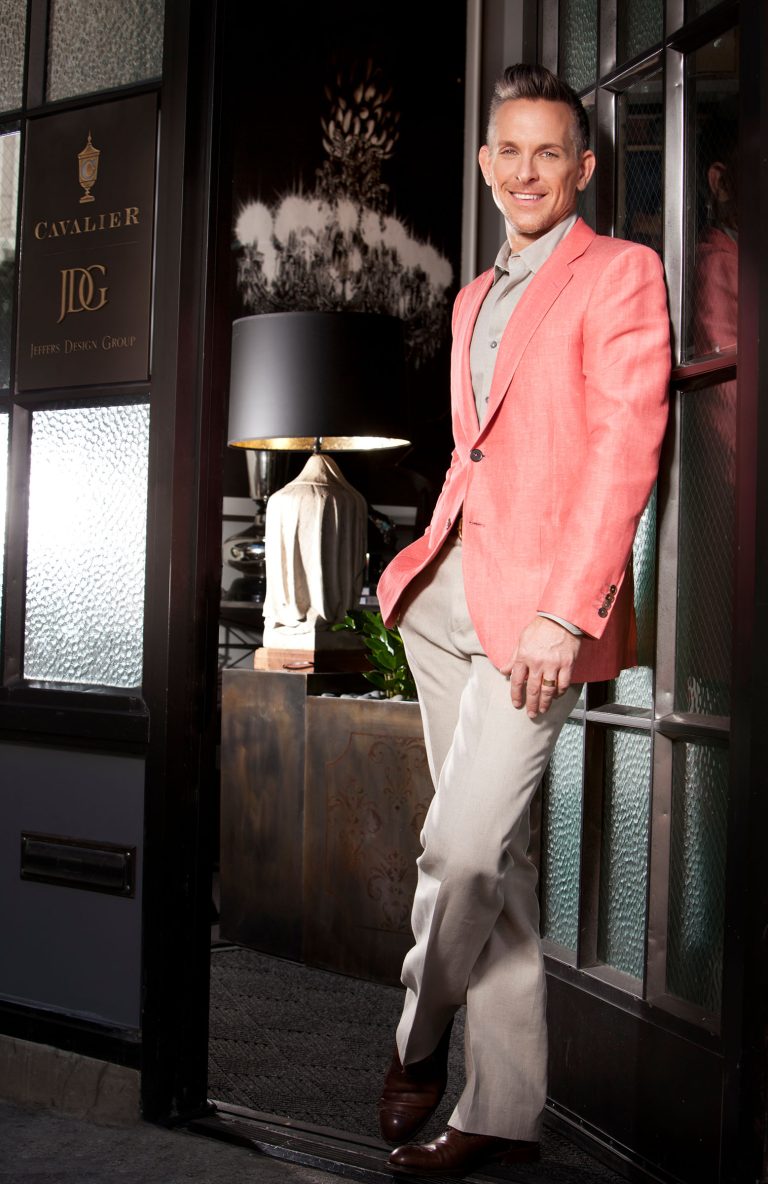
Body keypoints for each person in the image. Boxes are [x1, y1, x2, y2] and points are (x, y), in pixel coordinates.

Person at [374, 64, 671, 1176]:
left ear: (583, 167)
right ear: (488, 162)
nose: (528, 170)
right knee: (491, 864)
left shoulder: (621, 274)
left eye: (552, 152)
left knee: (458, 850)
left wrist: (568, 610)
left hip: (534, 620)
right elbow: (479, 451)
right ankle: (501, 1115)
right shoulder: (473, 296)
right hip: (445, 600)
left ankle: (419, 1029)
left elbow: (624, 451)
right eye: (511, 150)